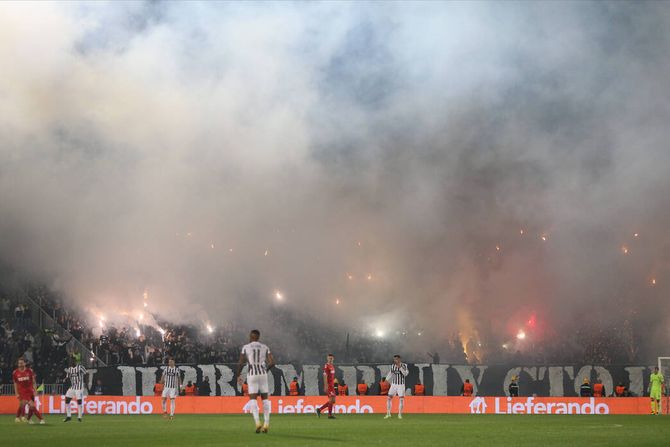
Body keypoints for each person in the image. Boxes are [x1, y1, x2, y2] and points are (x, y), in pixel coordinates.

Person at [237, 329, 275, 433]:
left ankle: (258, 423)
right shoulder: (265, 347)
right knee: (265, 399)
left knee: (253, 399)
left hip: (252, 375)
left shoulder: (246, 347)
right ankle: (266, 424)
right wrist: (265, 370)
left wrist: (238, 375)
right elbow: (272, 363)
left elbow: (241, 363)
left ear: (251, 336)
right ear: (258, 337)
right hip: (262, 374)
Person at [12, 357, 45, 424]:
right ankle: (41, 419)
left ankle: (22, 418)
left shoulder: (29, 371)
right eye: (19, 363)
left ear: (25, 363)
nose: (20, 364)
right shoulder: (15, 373)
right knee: (31, 405)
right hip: (22, 392)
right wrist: (16, 393)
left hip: (30, 391)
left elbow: (33, 382)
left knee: (28, 406)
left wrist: (35, 391)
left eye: (21, 363)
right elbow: (15, 383)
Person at [384, 355, 409, 419]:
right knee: (389, 398)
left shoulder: (404, 365)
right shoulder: (393, 366)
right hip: (394, 384)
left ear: (399, 359)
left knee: (401, 399)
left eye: (397, 359)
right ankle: (388, 413)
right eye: (394, 359)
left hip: (401, 385)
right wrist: (386, 379)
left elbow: (405, 374)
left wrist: (400, 367)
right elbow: (391, 373)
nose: (395, 360)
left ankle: (400, 414)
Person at [63, 357, 87, 422]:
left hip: (79, 387)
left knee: (79, 401)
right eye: (70, 361)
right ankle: (69, 416)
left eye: (72, 361)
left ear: (75, 361)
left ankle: (79, 416)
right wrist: (65, 379)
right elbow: (68, 377)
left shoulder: (80, 367)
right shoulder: (69, 369)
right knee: (67, 400)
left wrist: (85, 384)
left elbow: (86, 373)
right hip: (72, 387)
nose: (71, 362)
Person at [316, 353, 337, 419]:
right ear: (327, 358)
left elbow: (331, 376)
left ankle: (319, 410)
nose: (330, 359)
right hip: (329, 386)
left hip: (332, 385)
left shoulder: (332, 366)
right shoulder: (326, 366)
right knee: (331, 400)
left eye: (331, 358)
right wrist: (326, 385)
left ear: (333, 359)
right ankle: (329, 415)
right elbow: (325, 375)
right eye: (329, 358)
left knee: (333, 401)